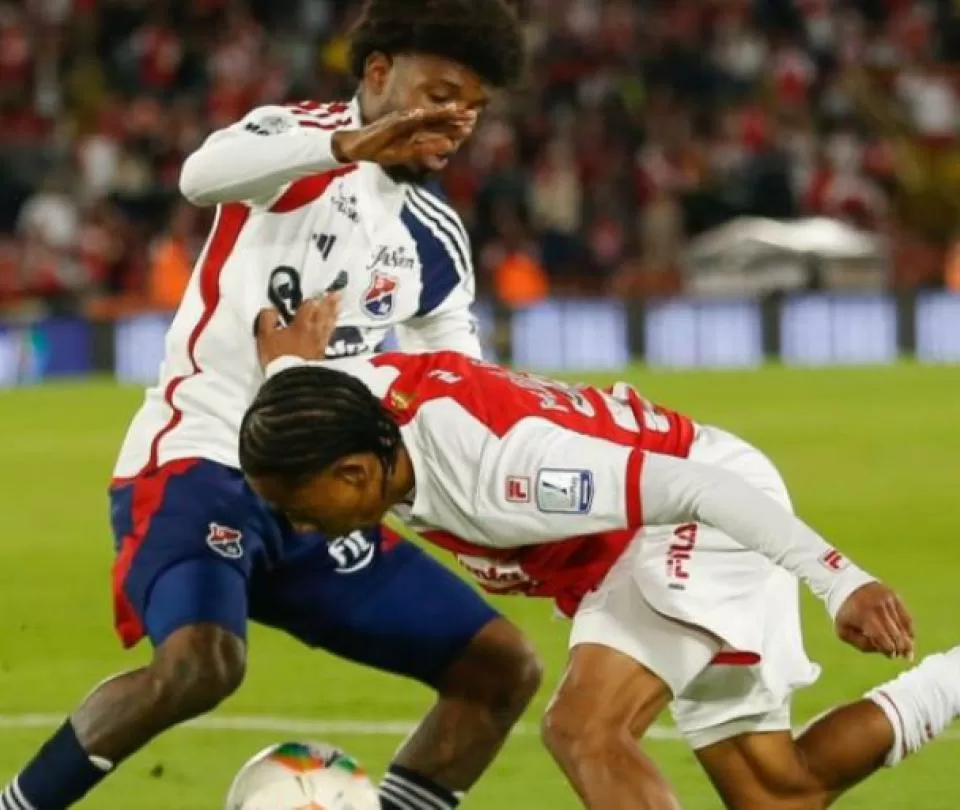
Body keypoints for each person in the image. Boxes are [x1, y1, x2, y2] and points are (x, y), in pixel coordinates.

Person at [0, 4, 542, 810]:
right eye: (439, 94)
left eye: (472, 107)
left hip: (324, 502)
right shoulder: (296, 141)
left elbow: (460, 380)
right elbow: (199, 176)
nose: (455, 120)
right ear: (379, 73)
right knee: (202, 664)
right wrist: (350, 144)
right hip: (202, 460)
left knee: (502, 667)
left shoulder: (433, 236)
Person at [238, 300, 959, 810]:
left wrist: (841, 582)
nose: (300, 526)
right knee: (779, 792)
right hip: (639, 539)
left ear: (355, 473)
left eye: (300, 507)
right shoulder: (343, 414)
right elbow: (300, 391)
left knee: (584, 729)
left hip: (696, 514)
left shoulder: (505, 472)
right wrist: (283, 365)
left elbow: (700, 489)